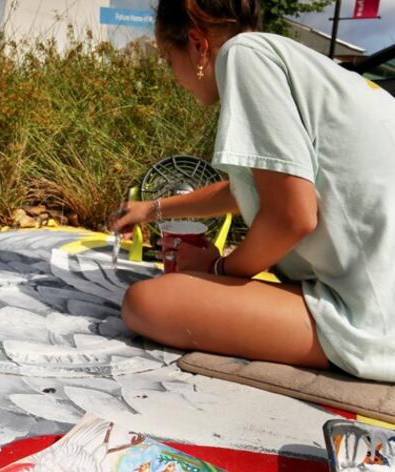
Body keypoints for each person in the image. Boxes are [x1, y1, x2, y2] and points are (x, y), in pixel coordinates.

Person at [111, 0, 395, 382]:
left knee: (146, 302)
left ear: (197, 44)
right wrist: (152, 209)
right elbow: (252, 190)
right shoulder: (296, 62)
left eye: (167, 59)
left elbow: (291, 217)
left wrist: (218, 270)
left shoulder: (243, 57)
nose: (174, 77)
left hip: (375, 319)